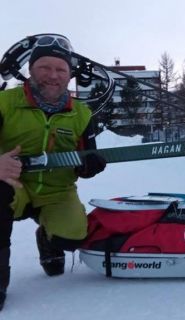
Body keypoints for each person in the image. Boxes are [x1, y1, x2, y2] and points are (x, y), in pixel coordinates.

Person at [0, 35, 106, 311]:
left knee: (73, 235)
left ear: (69, 76)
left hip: (56, 192)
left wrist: (89, 166)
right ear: (31, 70)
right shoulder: (4, 103)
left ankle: (47, 238)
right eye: (44, 67)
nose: (53, 76)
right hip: (12, 187)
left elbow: (85, 159)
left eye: (61, 70)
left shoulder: (82, 113)